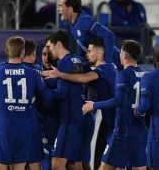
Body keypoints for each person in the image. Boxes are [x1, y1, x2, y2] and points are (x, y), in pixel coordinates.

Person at [0, 36, 53, 170]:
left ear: (6, 51)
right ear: (22, 52)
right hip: (25, 129)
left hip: (5, 128)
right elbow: (49, 99)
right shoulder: (33, 73)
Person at [42, 38, 117, 169]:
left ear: (100, 53)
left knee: (58, 164)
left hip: (114, 124)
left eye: (89, 51)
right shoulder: (88, 66)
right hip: (104, 122)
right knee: (78, 163)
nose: (86, 54)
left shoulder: (105, 68)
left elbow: (83, 79)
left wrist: (58, 75)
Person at [82, 40, 147, 170]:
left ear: (125, 55)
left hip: (123, 132)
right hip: (140, 132)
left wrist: (94, 105)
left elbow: (118, 100)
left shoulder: (123, 74)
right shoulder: (145, 75)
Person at [44, 30, 94, 170]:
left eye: (50, 47)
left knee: (57, 163)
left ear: (58, 44)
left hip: (71, 120)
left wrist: (41, 89)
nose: (49, 51)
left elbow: (61, 93)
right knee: (76, 164)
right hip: (85, 118)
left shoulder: (63, 63)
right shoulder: (79, 60)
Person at [57, 0, 121, 68]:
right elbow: (83, 47)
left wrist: (107, 62)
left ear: (70, 9)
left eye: (60, 6)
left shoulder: (84, 21)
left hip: (115, 61)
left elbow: (108, 35)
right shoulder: (71, 24)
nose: (58, 9)